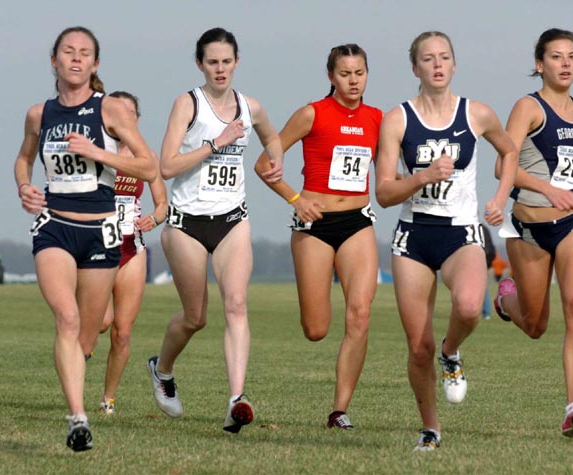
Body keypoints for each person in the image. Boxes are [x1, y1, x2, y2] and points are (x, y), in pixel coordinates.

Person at [14, 26, 156, 451]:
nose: (75, 59)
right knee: (68, 319)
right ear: (53, 60)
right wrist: (24, 186)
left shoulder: (111, 110)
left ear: (95, 64)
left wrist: (97, 153)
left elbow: (148, 167)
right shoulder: (39, 114)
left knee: (88, 336)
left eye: (85, 54)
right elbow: (23, 159)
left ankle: (82, 386)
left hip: (101, 229)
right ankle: (77, 418)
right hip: (55, 225)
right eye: (67, 52)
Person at [374, 31, 518, 451]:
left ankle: (451, 351)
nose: (437, 65)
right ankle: (431, 428)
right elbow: (383, 193)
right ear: (414, 67)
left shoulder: (477, 114)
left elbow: (509, 152)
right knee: (417, 348)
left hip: (461, 233)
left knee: (471, 308)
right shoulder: (397, 119)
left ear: (454, 65)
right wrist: (421, 176)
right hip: (413, 236)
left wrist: (498, 199)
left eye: (444, 57)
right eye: (427, 58)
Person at [147, 27, 283, 434]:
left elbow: (271, 136)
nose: (220, 69)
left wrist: (275, 158)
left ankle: (236, 399)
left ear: (236, 62)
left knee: (237, 305)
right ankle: (162, 370)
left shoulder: (250, 106)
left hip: (232, 220)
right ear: (200, 65)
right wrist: (216, 143)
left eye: (226, 61)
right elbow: (166, 166)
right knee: (195, 317)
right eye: (212, 62)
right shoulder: (187, 103)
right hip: (186, 224)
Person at [493, 28, 573, 438]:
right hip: (530, 228)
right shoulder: (527, 108)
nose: (565, 63)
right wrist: (548, 188)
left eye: (571, 56)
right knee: (535, 326)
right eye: (555, 57)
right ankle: (506, 298)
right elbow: (503, 169)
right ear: (539, 64)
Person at [255, 44, 382, 430]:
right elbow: (264, 164)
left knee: (359, 315)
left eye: (359, 72)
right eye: (345, 73)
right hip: (314, 225)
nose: (353, 80)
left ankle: (339, 410)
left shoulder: (379, 119)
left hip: (358, 222)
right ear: (331, 76)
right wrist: (295, 199)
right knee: (316, 329)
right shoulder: (311, 113)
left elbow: (393, 170)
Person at [79, 91, 168, 416]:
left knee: (123, 330)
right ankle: (75, 355)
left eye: (130, 113)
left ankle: (108, 399)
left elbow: (162, 203)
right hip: (95, 249)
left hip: (132, 248)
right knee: (100, 323)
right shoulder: (93, 152)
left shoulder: (147, 156)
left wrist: (154, 218)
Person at [481, 223, 496, 319]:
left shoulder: (469, 226)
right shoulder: (485, 228)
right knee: (483, 286)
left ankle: (486, 312)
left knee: (482, 287)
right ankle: (486, 312)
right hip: (486, 259)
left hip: (478, 258)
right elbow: (490, 246)